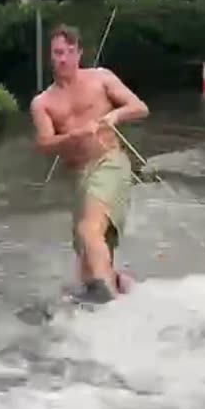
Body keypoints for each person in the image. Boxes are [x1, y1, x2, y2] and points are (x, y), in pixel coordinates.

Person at [30, 23, 149, 303]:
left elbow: (140, 107)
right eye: (58, 52)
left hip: (110, 163)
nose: (63, 59)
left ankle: (113, 305)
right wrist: (73, 136)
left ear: (79, 53)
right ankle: (121, 285)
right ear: (50, 56)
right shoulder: (43, 102)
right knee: (88, 260)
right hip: (78, 176)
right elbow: (45, 144)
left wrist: (115, 117)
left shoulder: (101, 78)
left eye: (69, 52)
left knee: (89, 229)